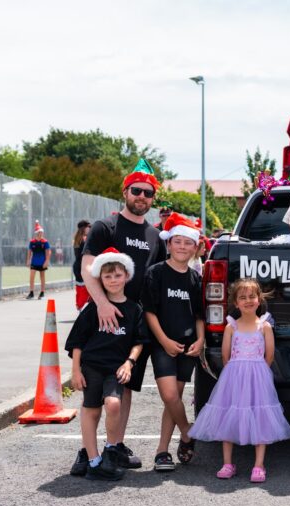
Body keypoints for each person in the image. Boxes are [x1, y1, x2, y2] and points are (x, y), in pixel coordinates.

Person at [81, 158, 167, 470]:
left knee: (124, 385)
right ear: (125, 192)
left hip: (134, 324)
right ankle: (87, 451)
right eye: (136, 191)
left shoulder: (155, 236)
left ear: (153, 198)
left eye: (148, 193)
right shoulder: (106, 227)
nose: (142, 197)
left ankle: (114, 446)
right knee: (95, 388)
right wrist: (102, 304)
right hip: (104, 321)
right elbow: (87, 267)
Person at [188, 278, 290, 482]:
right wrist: (236, 371)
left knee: (260, 415)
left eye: (252, 296)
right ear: (236, 303)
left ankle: (259, 465)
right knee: (229, 414)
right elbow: (225, 356)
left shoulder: (264, 326)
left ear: (259, 300)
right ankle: (227, 463)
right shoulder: (232, 326)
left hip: (258, 375)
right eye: (242, 297)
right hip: (234, 376)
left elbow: (269, 355)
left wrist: (257, 370)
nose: (248, 301)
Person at [66, 248, 150, 480]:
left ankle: (111, 451)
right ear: (100, 279)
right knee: (91, 410)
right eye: (107, 276)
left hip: (116, 368)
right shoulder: (93, 308)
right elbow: (77, 342)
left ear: (127, 276)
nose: (113, 280)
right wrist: (75, 371)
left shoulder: (134, 309)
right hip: (91, 367)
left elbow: (139, 342)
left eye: (118, 275)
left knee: (113, 405)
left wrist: (129, 363)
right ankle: (93, 462)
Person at [141, 212, 205, 472]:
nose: (182, 247)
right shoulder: (156, 273)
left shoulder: (195, 278)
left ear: (195, 247)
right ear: (168, 244)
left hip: (187, 345)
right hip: (163, 344)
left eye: (188, 243)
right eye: (177, 241)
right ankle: (187, 432)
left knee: (174, 399)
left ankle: (162, 452)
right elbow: (149, 312)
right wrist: (164, 341)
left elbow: (199, 315)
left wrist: (200, 340)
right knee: (169, 395)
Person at [25, 221, 51, 300]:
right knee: (31, 276)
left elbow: (48, 252)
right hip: (34, 262)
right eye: (39, 232)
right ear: (36, 233)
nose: (40, 234)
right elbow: (29, 252)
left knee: (42, 276)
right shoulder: (32, 242)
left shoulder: (45, 242)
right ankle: (31, 293)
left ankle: (42, 293)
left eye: (41, 232)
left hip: (42, 262)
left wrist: (47, 261)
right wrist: (28, 260)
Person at [72, 220, 91, 311]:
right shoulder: (84, 239)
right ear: (84, 228)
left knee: (80, 288)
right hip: (82, 267)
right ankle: (80, 305)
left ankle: (79, 305)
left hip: (78, 266)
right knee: (84, 288)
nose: (90, 229)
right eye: (88, 227)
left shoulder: (78, 238)